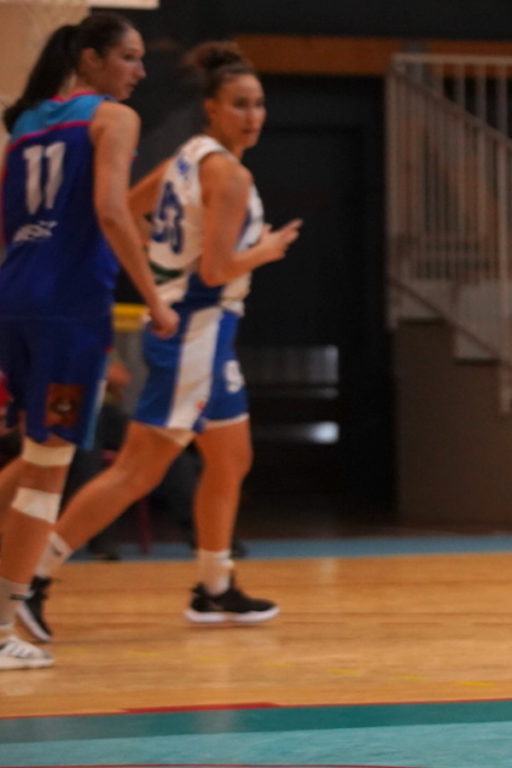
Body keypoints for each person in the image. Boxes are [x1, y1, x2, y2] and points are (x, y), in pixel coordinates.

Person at [18, 41, 298, 643]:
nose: (253, 116)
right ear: (213, 110)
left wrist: (161, 266)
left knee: (230, 458)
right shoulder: (228, 171)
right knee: (139, 472)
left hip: (205, 328)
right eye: (240, 105)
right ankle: (31, 582)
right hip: (197, 326)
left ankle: (214, 585)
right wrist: (267, 249)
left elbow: (127, 206)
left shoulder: (188, 156)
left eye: (259, 104)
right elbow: (219, 269)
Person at [0, 13, 178, 670]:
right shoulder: (112, 118)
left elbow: (5, 219)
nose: (140, 70)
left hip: (13, 301)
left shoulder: (26, 123)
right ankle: (1, 627)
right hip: (68, 311)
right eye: (130, 58)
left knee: (34, 456)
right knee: (48, 473)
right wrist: (154, 296)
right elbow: (110, 209)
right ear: (95, 60)